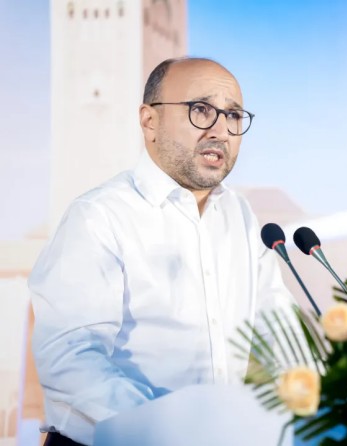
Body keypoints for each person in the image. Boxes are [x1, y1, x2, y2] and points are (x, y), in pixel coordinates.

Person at [29, 57, 295, 446]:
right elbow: (70, 358)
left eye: (234, 116)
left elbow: (282, 332)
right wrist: (169, 428)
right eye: (201, 110)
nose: (221, 130)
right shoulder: (99, 216)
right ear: (149, 121)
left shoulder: (239, 215)